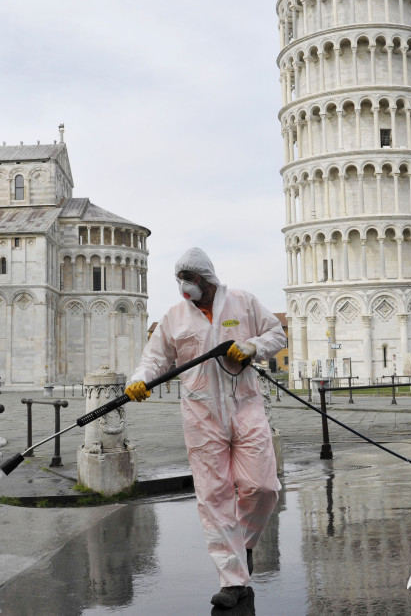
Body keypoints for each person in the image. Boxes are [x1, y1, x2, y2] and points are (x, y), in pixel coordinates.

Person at [125, 247, 286, 609]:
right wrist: (140, 380)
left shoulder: (243, 303)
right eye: (180, 280)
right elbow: (154, 359)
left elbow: (278, 335)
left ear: (207, 279)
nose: (185, 287)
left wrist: (252, 346)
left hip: (245, 406)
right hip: (201, 414)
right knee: (214, 496)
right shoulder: (174, 317)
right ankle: (232, 580)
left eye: (190, 280)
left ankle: (242, 545)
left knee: (263, 487)